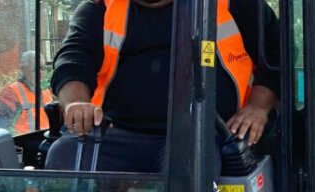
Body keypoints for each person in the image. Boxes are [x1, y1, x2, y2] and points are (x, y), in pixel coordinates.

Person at [49, 0, 281, 173]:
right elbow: (74, 58)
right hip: (118, 131)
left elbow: (277, 54)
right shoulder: (101, 7)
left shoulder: (233, 4)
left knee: (188, 174)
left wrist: (258, 107)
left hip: (201, 133)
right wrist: (77, 102)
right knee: (64, 153)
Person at [0, 51, 52, 134]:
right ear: (24, 70)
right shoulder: (11, 92)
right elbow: (4, 124)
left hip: (46, 141)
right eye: (35, 68)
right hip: (25, 143)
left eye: (43, 68)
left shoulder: (46, 90)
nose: (40, 72)